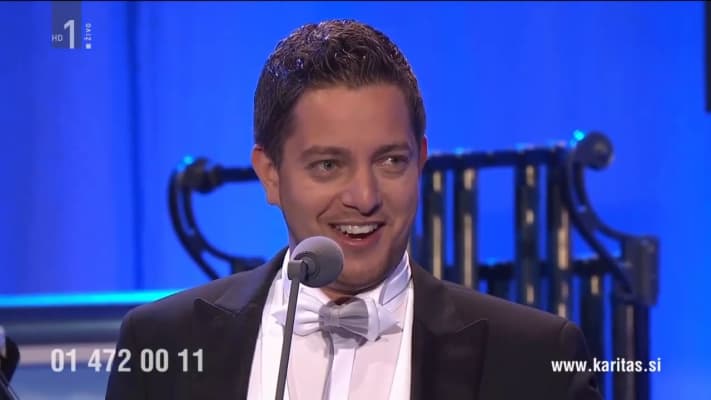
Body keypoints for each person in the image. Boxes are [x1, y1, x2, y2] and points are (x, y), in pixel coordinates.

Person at [106, 19, 602, 400]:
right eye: (328, 165)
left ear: (421, 161)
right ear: (270, 174)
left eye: (390, 161)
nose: (364, 196)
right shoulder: (163, 343)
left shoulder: (535, 359)